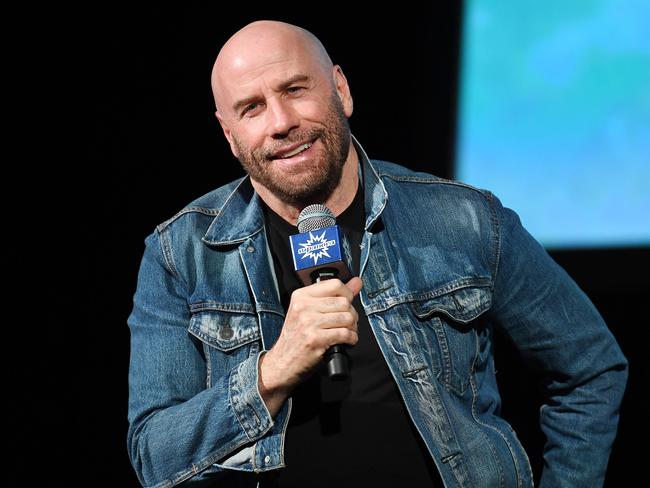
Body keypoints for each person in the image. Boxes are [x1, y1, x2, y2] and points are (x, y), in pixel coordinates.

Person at [127, 20, 628, 488]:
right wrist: (274, 370)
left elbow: (590, 366)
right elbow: (154, 455)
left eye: (295, 90)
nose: (280, 122)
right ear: (229, 134)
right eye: (251, 108)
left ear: (340, 90)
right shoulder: (181, 253)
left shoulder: (466, 219)